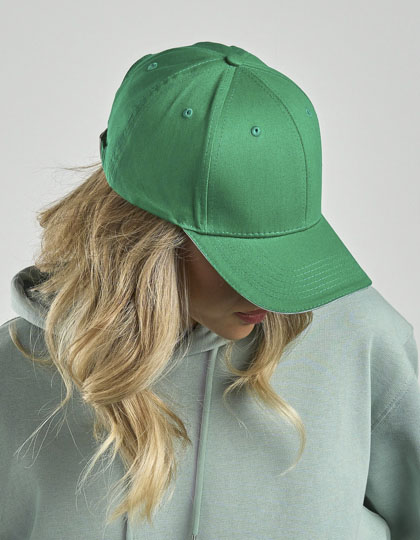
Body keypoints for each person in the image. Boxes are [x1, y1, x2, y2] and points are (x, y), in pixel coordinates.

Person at [1, 41, 419, 540]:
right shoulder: (14, 371)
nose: (273, 294)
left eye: (286, 250)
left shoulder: (361, 340)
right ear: (144, 239)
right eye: (237, 256)